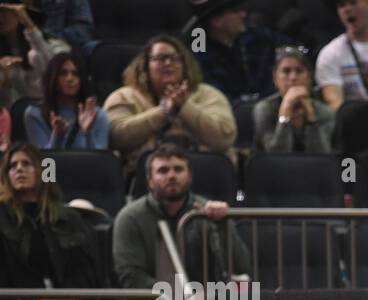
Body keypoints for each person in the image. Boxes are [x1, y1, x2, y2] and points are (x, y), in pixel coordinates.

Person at [112, 143, 249, 289]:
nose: (171, 176)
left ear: (190, 177)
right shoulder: (130, 217)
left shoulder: (206, 213)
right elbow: (131, 276)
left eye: (178, 169)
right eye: (163, 171)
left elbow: (240, 267)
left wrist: (222, 226)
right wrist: (180, 296)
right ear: (149, 181)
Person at [103, 35, 237, 172]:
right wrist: (163, 112)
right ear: (145, 65)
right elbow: (115, 136)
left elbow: (224, 137)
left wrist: (185, 108)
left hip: (204, 174)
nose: (168, 63)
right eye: (160, 58)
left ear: (185, 64)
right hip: (143, 176)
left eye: (174, 58)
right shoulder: (124, 96)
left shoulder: (208, 94)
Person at [0, 141, 102, 288]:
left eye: (27, 163)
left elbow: (86, 271)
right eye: (12, 166)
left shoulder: (68, 217)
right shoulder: (2, 217)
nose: (19, 169)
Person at [189, 0, 287, 104]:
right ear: (217, 21)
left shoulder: (253, 35)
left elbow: (287, 47)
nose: (243, 15)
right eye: (235, 12)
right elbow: (216, 97)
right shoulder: (199, 52)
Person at [252, 46, 336, 152]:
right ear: (275, 79)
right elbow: (275, 156)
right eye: (286, 71)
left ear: (310, 78)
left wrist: (311, 117)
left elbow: (321, 157)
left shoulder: (324, 111)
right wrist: (285, 115)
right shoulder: (264, 109)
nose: (293, 77)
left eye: (299, 71)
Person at [24, 52, 109, 150]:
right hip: (54, 166)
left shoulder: (97, 115)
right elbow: (44, 162)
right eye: (63, 73)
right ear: (53, 78)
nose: (70, 78)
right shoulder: (34, 114)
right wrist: (57, 136)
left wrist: (88, 133)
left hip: (85, 165)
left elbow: (100, 161)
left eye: (75, 74)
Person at [0, 1, 61, 111]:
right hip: (13, 114)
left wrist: (28, 23)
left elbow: (51, 68)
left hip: (46, 108)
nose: (0, 18)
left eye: (4, 12)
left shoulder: (45, 47)